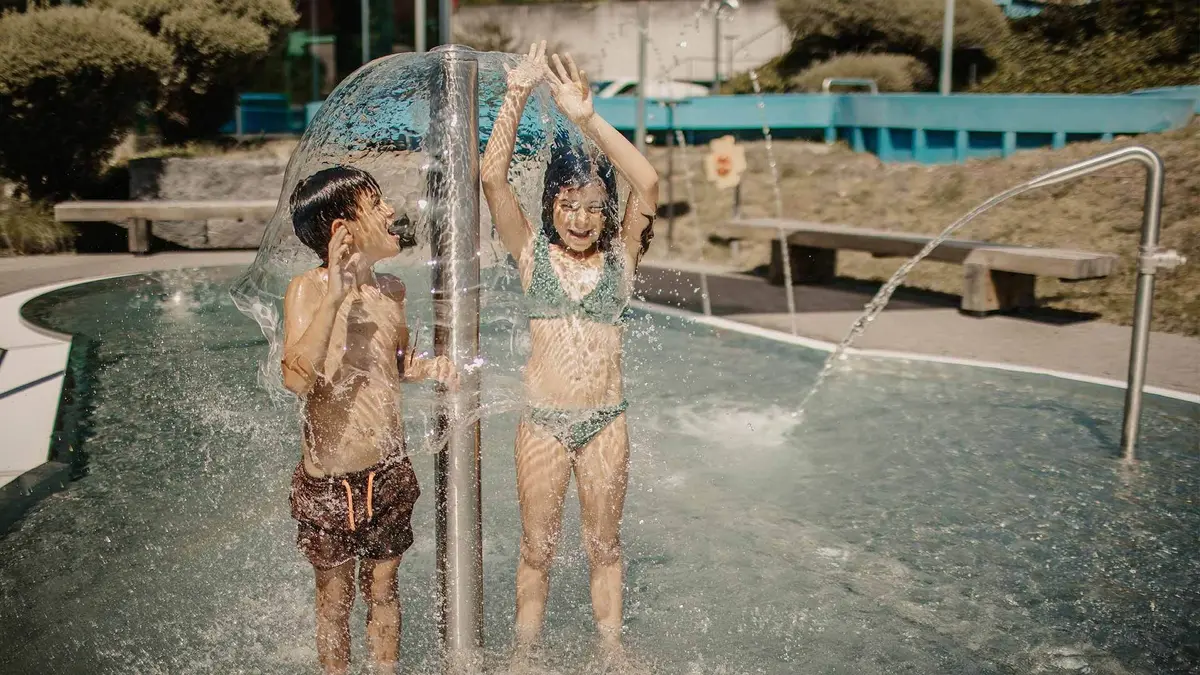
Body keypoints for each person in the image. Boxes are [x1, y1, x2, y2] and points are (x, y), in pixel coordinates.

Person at [481, 41, 659, 660]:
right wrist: (513, 96)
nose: (580, 220)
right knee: (537, 547)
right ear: (550, 205)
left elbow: (650, 180)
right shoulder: (533, 258)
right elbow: (492, 179)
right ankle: (524, 654)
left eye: (592, 208)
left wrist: (588, 121)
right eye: (567, 206)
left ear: (607, 211)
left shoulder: (621, 259)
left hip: (606, 421)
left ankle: (611, 650)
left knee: (604, 545)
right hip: (543, 425)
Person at [280, 165, 455, 674]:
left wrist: (428, 368)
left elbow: (394, 367)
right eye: (375, 203)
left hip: (388, 471)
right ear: (343, 230)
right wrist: (336, 296)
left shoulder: (393, 292)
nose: (388, 211)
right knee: (334, 601)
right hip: (329, 481)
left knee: (383, 590)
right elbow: (295, 377)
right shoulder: (308, 290)